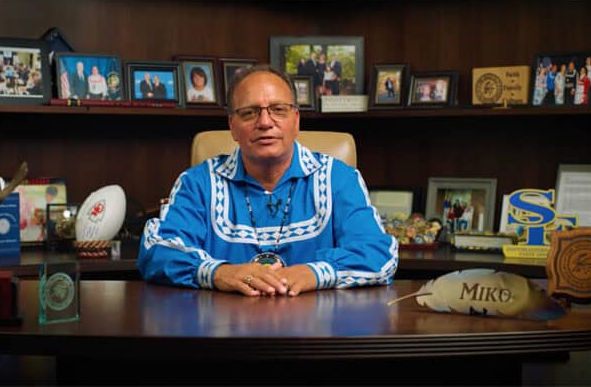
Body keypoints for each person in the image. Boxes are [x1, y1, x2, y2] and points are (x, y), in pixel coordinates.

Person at [138, 64, 398, 297]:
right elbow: (157, 250)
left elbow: (379, 254)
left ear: (296, 121)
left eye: (278, 110)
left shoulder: (339, 179)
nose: (265, 122)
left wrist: (313, 273)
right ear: (232, 126)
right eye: (250, 113)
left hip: (316, 336)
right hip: (222, 336)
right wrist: (220, 273)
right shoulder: (198, 183)